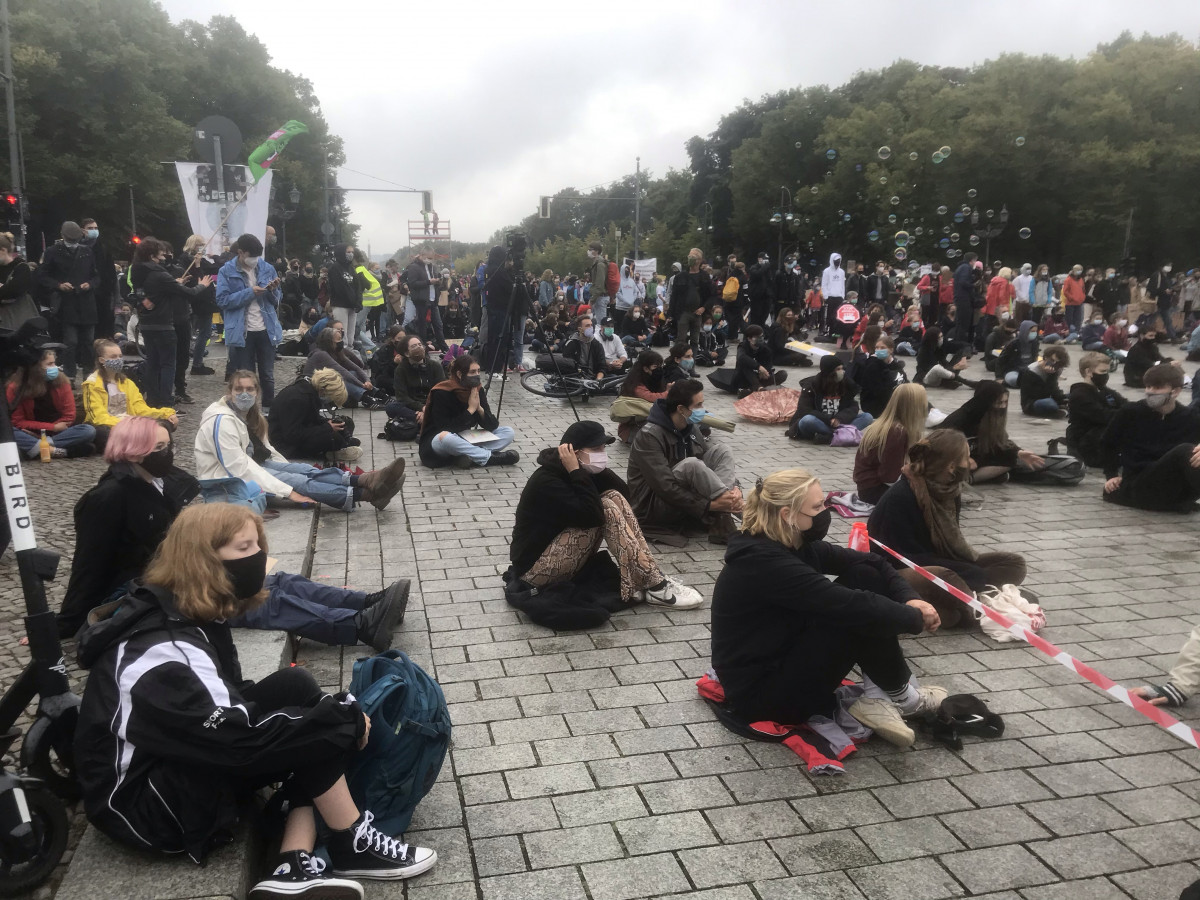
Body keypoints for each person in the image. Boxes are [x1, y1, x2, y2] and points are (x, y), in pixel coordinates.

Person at [73, 502, 438, 895]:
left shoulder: (185, 610)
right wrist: (340, 720)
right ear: (202, 561)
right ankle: (351, 842)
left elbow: (224, 709)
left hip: (175, 762)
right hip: (148, 808)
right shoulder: (166, 650)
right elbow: (235, 741)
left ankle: (292, 859)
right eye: (244, 548)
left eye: (257, 546)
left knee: (297, 694)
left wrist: (326, 718)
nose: (259, 558)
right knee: (319, 723)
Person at [58, 416, 407, 650]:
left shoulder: (158, 482)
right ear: (133, 451)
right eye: (161, 447)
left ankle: (364, 602)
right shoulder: (107, 498)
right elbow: (89, 564)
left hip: (177, 575)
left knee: (280, 580)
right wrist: (68, 622)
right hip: (145, 593)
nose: (170, 452)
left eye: (168, 445)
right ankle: (359, 625)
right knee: (255, 601)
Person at [710, 468, 945, 747]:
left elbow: (873, 563)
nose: (825, 512)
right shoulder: (765, 562)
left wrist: (910, 598)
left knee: (865, 578)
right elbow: (848, 604)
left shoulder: (790, 543)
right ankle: (902, 697)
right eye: (817, 507)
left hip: (781, 659)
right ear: (787, 515)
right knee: (856, 610)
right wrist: (914, 619)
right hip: (762, 697)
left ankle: (883, 696)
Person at [510, 420, 702, 609]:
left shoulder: (580, 471)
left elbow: (625, 496)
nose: (601, 454)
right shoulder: (547, 481)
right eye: (596, 450)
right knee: (606, 508)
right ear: (573, 453)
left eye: (603, 448)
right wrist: (577, 472)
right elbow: (592, 517)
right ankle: (655, 585)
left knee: (613, 497)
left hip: (558, 554)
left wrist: (593, 471)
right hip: (533, 573)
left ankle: (650, 576)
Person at [869, 429, 1029, 626]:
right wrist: (966, 571)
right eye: (967, 458)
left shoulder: (950, 492)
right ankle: (979, 600)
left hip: (940, 561)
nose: (970, 463)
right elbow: (903, 558)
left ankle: (975, 599)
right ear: (951, 467)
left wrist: (966, 569)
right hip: (899, 570)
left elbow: (951, 545)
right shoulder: (902, 495)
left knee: (1013, 564)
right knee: (947, 578)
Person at [196, 370, 406, 511]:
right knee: (299, 482)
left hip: (256, 461)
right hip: (226, 482)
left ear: (257, 391)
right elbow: (238, 468)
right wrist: (288, 492)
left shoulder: (248, 414)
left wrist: (286, 469)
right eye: (239, 390)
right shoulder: (221, 421)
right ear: (229, 392)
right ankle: (366, 494)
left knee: (305, 472)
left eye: (249, 389)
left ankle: (366, 480)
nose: (244, 394)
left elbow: (265, 447)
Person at [627, 379, 742, 543]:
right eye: (698, 406)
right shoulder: (649, 435)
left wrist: (734, 488)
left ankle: (727, 507)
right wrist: (707, 506)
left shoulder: (691, 427)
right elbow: (665, 486)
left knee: (722, 451)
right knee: (691, 464)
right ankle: (742, 513)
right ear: (681, 409)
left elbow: (708, 472)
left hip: (685, 494)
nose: (702, 410)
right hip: (653, 504)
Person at [1100, 363, 1200, 512]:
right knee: (1185, 450)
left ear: (1176, 391)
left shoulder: (1190, 417)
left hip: (1175, 487)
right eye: (1148, 387)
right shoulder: (1131, 412)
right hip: (1140, 482)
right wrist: (1111, 475)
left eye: (1158, 388)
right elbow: (1107, 443)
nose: (1151, 392)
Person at [131, 238, 215, 408]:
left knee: (153, 363)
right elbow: (189, 293)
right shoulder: (160, 274)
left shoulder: (138, 271)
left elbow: (147, 292)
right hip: (163, 324)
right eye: (161, 254)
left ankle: (153, 400)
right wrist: (203, 286)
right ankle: (166, 402)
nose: (164, 257)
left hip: (147, 324)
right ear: (153, 255)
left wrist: (174, 284)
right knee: (169, 364)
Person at [216, 233, 282, 409]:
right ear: (241, 252)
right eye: (251, 256)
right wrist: (250, 292)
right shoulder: (226, 271)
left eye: (257, 256)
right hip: (242, 331)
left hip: (265, 328)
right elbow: (223, 300)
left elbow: (277, 300)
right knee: (246, 375)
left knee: (267, 374)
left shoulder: (267, 268)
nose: (255, 260)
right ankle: (247, 410)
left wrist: (273, 291)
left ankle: (269, 409)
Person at [418, 354, 518, 468]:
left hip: (464, 438)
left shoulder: (477, 390)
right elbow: (444, 427)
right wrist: (470, 410)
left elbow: (492, 425)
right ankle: (489, 457)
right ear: (460, 374)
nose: (477, 375)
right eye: (472, 372)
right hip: (439, 441)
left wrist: (479, 409)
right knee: (446, 438)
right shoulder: (442, 392)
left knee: (508, 432)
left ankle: (470, 456)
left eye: (478, 371)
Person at [938, 382, 1046, 482]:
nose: (1003, 407)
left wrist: (1018, 452)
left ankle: (971, 479)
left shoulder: (991, 420)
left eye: (1005, 402)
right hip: (953, 460)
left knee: (1010, 458)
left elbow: (1001, 442)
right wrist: (963, 458)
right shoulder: (959, 418)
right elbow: (940, 447)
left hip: (977, 458)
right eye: (999, 403)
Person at [82, 338, 177, 450]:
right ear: (102, 360)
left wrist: (166, 414)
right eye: (113, 357)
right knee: (103, 433)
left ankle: (141, 440)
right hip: (109, 426)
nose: (118, 360)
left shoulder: (127, 383)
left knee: (167, 423)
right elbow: (98, 417)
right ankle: (145, 440)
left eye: (120, 356)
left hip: (131, 424)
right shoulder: (92, 384)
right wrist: (127, 424)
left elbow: (140, 408)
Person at [37, 221, 100, 380]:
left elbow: (96, 276)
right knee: (70, 342)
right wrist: (58, 285)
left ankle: (88, 373)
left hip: (86, 302)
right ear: (63, 236)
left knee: (88, 341)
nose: (73, 243)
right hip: (67, 302)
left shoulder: (87, 251)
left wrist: (90, 284)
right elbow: (43, 275)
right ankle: (70, 375)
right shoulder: (52, 252)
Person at [6, 348, 96, 458]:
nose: (54, 367)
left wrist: (50, 433)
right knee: (8, 431)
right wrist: (53, 427)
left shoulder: (62, 382)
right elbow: (17, 422)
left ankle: (38, 448)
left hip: (58, 433)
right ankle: (59, 451)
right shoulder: (15, 388)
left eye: (54, 363)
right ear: (35, 367)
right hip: (28, 432)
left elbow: (69, 416)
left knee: (88, 431)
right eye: (49, 364)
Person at [854, 383, 927, 504]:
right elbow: (889, 477)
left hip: (869, 488)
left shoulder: (890, 426)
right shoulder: (897, 432)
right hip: (876, 490)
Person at [269, 368, 362, 463]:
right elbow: (292, 435)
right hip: (286, 446)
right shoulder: (298, 398)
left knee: (346, 422)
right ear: (323, 390)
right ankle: (339, 448)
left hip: (298, 433)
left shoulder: (309, 393)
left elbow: (311, 418)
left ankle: (341, 445)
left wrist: (329, 422)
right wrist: (327, 427)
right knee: (332, 437)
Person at [788, 355, 873, 443]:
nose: (842, 372)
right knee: (807, 420)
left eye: (842, 369)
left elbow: (853, 406)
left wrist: (839, 419)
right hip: (820, 422)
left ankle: (830, 436)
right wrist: (828, 420)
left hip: (839, 422)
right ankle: (840, 435)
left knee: (867, 417)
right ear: (829, 371)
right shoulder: (812, 385)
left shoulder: (845, 383)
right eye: (838, 369)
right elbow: (804, 409)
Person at [305, 321, 386, 409]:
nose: (341, 342)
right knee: (342, 379)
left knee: (353, 373)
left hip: (328, 388)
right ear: (330, 342)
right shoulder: (321, 354)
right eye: (338, 340)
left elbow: (358, 367)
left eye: (341, 339)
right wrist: (363, 385)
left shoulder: (336, 351)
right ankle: (366, 398)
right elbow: (343, 372)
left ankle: (377, 394)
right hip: (318, 392)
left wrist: (367, 382)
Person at [1066, 351, 1125, 466]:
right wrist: (1126, 414)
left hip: (1099, 436)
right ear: (1088, 372)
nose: (1106, 375)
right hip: (1087, 443)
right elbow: (1103, 416)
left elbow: (1124, 404)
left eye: (1107, 371)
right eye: (1102, 371)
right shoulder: (1080, 395)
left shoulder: (1104, 390)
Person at [392, 334, 445, 428]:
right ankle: (428, 421)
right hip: (412, 407)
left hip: (433, 405)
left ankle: (423, 421)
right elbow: (402, 397)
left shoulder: (435, 366)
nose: (419, 347)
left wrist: (428, 408)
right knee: (392, 407)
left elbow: (441, 391)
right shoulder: (401, 370)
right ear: (406, 353)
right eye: (414, 346)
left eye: (420, 344)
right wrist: (421, 408)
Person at [615, 350, 668, 443]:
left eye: (660, 366)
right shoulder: (635, 384)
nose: (659, 369)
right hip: (632, 430)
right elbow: (651, 397)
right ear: (646, 368)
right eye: (655, 367)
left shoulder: (654, 380)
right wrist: (669, 392)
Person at [669, 248, 711, 347]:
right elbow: (674, 295)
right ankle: (680, 359)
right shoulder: (680, 276)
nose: (690, 258)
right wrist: (671, 314)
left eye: (694, 256)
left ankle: (693, 359)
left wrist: (703, 308)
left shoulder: (704, 276)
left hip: (697, 313)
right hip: (683, 312)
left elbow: (711, 295)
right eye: (689, 256)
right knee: (681, 339)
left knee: (695, 340)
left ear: (699, 260)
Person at [730, 324, 786, 397]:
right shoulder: (743, 346)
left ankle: (750, 391)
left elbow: (768, 364)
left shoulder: (765, 349)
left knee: (783, 374)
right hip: (743, 378)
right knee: (745, 365)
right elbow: (741, 357)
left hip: (759, 378)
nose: (760, 339)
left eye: (761, 336)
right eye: (757, 337)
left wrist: (765, 371)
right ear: (749, 338)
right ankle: (758, 388)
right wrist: (758, 367)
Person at [327, 242, 363, 354]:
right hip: (341, 304)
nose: (351, 254)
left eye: (352, 252)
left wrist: (359, 301)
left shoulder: (351, 268)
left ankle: (350, 353)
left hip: (353, 306)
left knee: (351, 335)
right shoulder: (335, 268)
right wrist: (353, 301)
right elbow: (340, 288)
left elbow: (358, 286)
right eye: (348, 252)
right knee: (342, 333)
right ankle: (342, 353)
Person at [1016, 344, 1069, 418]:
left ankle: (1062, 408)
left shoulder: (1057, 369)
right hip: (1032, 402)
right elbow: (1043, 392)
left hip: (1049, 397)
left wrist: (1063, 398)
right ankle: (1059, 411)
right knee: (1050, 403)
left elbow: (1054, 390)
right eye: (1052, 360)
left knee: (1073, 394)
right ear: (1046, 358)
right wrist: (1051, 376)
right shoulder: (1032, 371)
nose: (1054, 364)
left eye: (1057, 363)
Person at [1124, 321, 1172, 387]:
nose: (1153, 338)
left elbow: (1159, 358)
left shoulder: (1153, 347)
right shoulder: (1136, 349)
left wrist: (1170, 362)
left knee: (1170, 361)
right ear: (1141, 335)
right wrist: (1167, 364)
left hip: (1146, 372)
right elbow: (1148, 364)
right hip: (1136, 378)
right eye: (1150, 336)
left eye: (1154, 336)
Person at [563, 314, 608, 379]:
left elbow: (602, 366)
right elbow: (568, 365)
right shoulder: (571, 344)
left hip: (594, 378)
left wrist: (598, 380)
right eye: (587, 326)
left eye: (591, 325)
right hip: (576, 379)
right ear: (580, 329)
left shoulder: (597, 344)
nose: (591, 328)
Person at [953, 252, 980, 349]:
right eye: (975, 260)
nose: (975, 263)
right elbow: (963, 282)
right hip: (964, 299)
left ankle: (957, 346)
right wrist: (973, 285)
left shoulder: (960, 267)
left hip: (960, 298)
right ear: (971, 260)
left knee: (960, 324)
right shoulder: (966, 268)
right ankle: (961, 348)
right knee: (964, 324)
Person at [585, 242, 610, 325]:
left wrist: (592, 300)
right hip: (599, 297)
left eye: (590, 249)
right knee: (599, 323)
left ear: (596, 251)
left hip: (600, 297)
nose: (588, 251)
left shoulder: (600, 264)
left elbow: (599, 284)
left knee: (601, 324)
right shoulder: (598, 263)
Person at [747, 252, 774, 327]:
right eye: (764, 259)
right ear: (759, 259)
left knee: (764, 316)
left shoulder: (768, 270)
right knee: (755, 318)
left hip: (766, 297)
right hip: (757, 297)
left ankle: (761, 333)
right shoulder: (754, 267)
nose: (766, 261)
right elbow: (757, 274)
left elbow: (770, 281)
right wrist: (764, 267)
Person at [820, 253, 845, 333]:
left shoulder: (841, 271)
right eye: (836, 260)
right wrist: (826, 296)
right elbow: (824, 284)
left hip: (839, 297)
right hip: (830, 297)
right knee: (830, 316)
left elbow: (842, 284)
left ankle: (836, 332)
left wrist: (842, 295)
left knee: (838, 316)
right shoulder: (827, 271)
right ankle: (829, 331)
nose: (837, 262)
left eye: (839, 260)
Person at [1060, 264, 1087, 340]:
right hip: (1071, 303)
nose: (1079, 271)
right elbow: (1065, 291)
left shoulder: (1081, 279)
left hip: (1080, 302)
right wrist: (1072, 298)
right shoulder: (1068, 280)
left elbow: (1083, 289)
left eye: (1080, 270)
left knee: (1078, 319)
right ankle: (1069, 333)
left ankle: (1076, 333)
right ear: (1073, 270)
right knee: (1069, 320)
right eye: (1077, 270)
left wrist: (1083, 297)